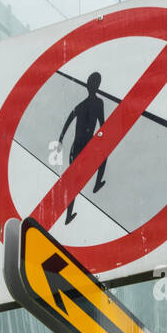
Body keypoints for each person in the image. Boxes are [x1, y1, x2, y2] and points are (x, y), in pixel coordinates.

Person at [59, 72, 107, 224]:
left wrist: (61, 138)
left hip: (78, 146)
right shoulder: (99, 103)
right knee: (75, 181)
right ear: (97, 86)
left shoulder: (81, 105)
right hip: (85, 145)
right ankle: (97, 183)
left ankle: (68, 215)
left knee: (74, 182)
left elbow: (69, 119)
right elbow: (103, 124)